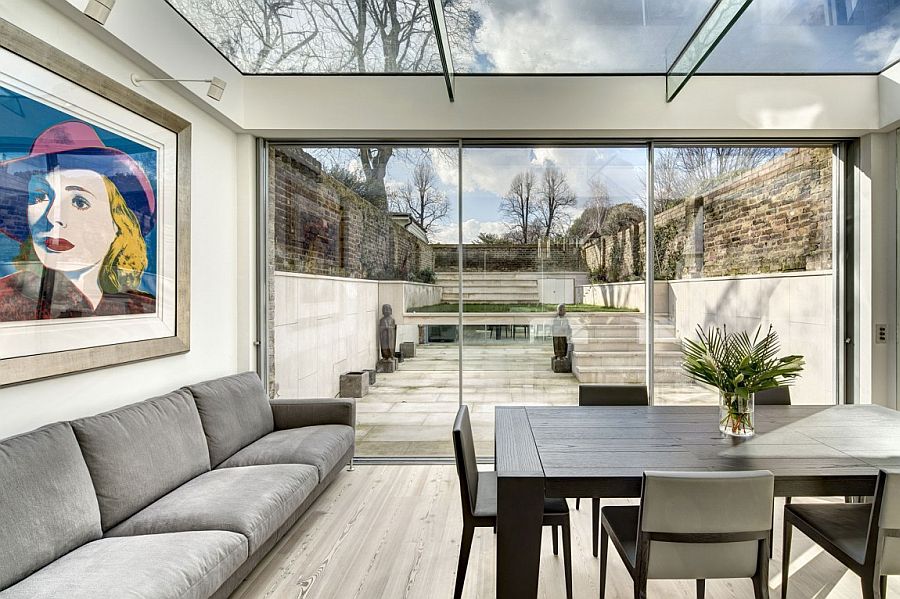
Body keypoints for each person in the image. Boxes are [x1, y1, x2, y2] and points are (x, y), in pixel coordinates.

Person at [0, 120, 156, 321]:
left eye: (80, 202)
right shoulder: (6, 305)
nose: (51, 218)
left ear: (117, 224)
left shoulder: (141, 310)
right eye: (39, 197)